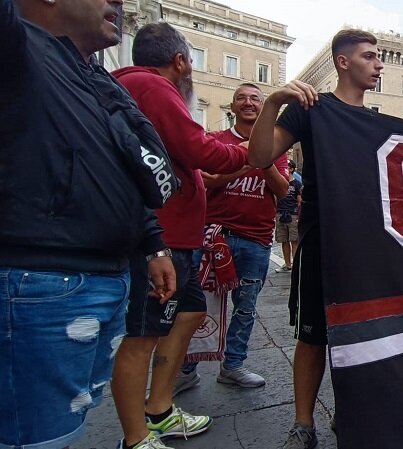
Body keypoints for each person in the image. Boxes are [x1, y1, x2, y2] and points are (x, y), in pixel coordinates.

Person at [0, 1, 177, 448]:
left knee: (69, 426)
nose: (115, 3)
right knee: (37, 438)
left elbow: (124, 169)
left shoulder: (92, 76)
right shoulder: (16, 48)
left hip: (103, 277)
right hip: (41, 281)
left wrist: (154, 244)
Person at [247, 28, 390, 449]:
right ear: (343, 62)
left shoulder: (375, 122)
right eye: (369, 56)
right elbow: (258, 157)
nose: (378, 64)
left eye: (378, 57)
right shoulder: (311, 110)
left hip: (368, 243)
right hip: (322, 236)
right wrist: (272, 102)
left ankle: (351, 412)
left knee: (362, 332)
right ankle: (303, 424)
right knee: (312, 335)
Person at [111, 22, 249, 449]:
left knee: (188, 314)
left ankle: (160, 408)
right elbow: (199, 150)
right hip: (162, 239)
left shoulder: (143, 87)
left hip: (180, 237)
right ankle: (136, 437)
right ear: (181, 61)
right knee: (142, 335)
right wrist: (251, 151)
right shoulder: (151, 87)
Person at [176, 83, 290, 389]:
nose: (248, 103)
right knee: (197, 307)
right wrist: (248, 162)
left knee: (246, 307)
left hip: (255, 238)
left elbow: (282, 190)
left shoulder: (278, 146)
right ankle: (186, 369)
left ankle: (234, 365)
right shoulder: (214, 140)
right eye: (242, 98)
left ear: (265, 107)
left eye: (255, 98)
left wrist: (261, 158)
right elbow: (204, 181)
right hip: (212, 236)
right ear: (233, 106)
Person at [276, 160, 303, 273]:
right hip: (280, 213)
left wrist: (298, 215)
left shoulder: (297, 184)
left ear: (291, 169)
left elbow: (299, 201)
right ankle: (287, 264)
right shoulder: (279, 182)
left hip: (292, 214)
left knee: (294, 240)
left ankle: (296, 264)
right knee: (283, 240)